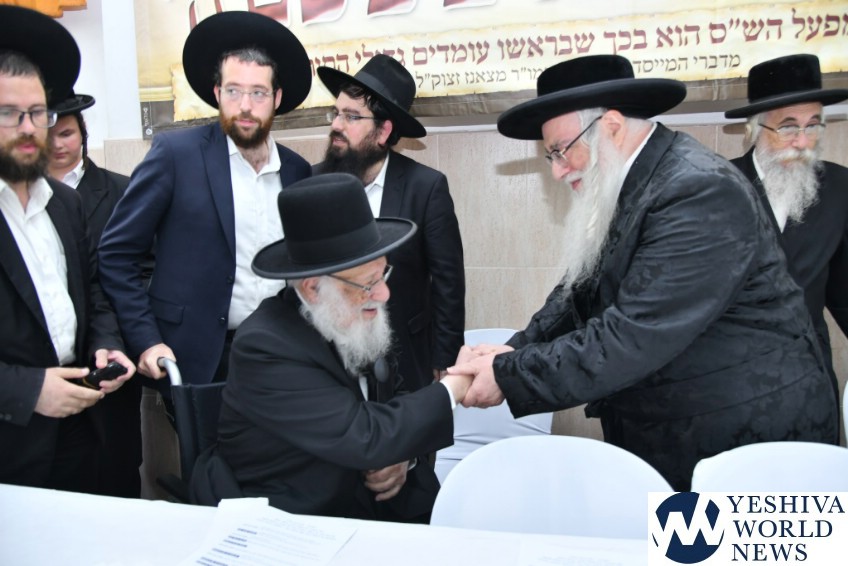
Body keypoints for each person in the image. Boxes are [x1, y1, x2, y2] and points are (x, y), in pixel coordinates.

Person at [448, 54, 839, 491]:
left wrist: (508, 374)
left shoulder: (697, 190)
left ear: (611, 127)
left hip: (748, 448)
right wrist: (512, 349)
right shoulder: (631, 183)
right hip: (680, 435)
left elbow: (631, 336)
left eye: (561, 150)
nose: (557, 170)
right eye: (550, 156)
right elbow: (577, 292)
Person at [191, 173, 473, 522]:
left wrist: (404, 457)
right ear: (312, 289)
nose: (384, 294)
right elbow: (364, 436)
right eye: (368, 283)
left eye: (383, 275)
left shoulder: (352, 316)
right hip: (293, 515)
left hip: (369, 504)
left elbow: (394, 397)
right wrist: (454, 388)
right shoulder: (264, 347)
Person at [98, 11, 312, 391]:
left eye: (258, 93)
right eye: (233, 91)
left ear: (277, 98)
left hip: (280, 354)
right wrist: (146, 338)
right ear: (217, 94)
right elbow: (116, 254)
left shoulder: (297, 171)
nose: (245, 105)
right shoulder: (175, 155)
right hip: (197, 360)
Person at [0, 5, 135, 494]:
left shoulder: (65, 203)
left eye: (38, 113)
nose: (28, 127)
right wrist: (27, 390)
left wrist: (107, 344)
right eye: (8, 114)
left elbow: (93, 292)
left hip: (82, 426)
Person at [313, 54, 465, 392]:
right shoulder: (312, 185)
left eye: (352, 116)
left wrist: (446, 358)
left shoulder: (425, 188)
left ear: (383, 131)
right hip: (328, 361)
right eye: (336, 113)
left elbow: (448, 284)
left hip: (405, 357)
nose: (336, 125)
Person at [725, 54, 848, 400]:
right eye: (789, 127)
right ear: (754, 128)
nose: (803, 141)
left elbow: (844, 293)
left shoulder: (839, 187)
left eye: (813, 125)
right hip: (732, 384)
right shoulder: (717, 185)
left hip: (809, 378)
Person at [45, 90, 143, 498]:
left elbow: (143, 267)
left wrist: (119, 338)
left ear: (84, 133)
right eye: (49, 134)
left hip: (112, 353)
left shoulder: (122, 190)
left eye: (67, 134)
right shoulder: (23, 197)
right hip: (49, 376)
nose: (57, 145)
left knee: (116, 468)